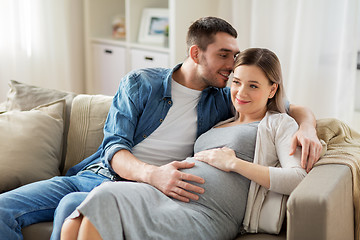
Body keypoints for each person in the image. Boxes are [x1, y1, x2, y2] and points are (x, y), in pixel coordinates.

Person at [0, 17, 321, 240]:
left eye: (235, 56)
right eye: (224, 56)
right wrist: (154, 175)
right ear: (196, 53)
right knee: (4, 209)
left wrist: (306, 127)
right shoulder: (141, 84)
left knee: (74, 209)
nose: (231, 67)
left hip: (159, 195)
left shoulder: (225, 97)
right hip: (99, 175)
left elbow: (280, 105)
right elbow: (114, 150)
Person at [60, 47, 307, 240]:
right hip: (166, 197)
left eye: (253, 86)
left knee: (103, 199)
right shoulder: (221, 118)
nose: (241, 93)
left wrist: (234, 164)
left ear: (272, 89)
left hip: (207, 213)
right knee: (75, 213)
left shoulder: (278, 123)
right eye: (237, 82)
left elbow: (297, 178)